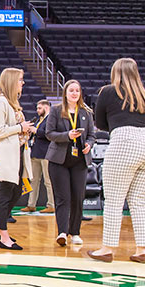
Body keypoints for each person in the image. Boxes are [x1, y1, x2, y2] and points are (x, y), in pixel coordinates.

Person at [88, 58, 145, 264]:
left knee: (114, 200)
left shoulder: (108, 91)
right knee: (138, 201)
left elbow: (99, 122)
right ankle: (141, 250)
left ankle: (107, 248)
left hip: (124, 141)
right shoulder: (144, 95)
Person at [0, 68, 34, 250]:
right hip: (6, 155)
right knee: (5, 193)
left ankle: (0, 230)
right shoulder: (0, 103)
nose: (22, 83)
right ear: (11, 82)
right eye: (20, 80)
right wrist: (20, 127)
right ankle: (3, 235)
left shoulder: (12, 103)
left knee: (15, 192)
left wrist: (26, 129)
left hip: (18, 152)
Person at [45, 79, 95, 246]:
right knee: (63, 198)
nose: (74, 93)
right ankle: (62, 232)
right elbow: (49, 134)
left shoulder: (86, 112)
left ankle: (75, 232)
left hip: (79, 161)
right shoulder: (56, 110)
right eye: (71, 90)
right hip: (59, 161)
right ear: (65, 93)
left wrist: (89, 144)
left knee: (78, 197)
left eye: (77, 91)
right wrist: (67, 135)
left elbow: (92, 135)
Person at [22, 99, 56, 214]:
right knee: (34, 180)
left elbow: (49, 135)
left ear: (46, 108)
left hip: (46, 153)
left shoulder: (51, 119)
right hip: (36, 153)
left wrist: (35, 130)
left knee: (48, 181)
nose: (37, 111)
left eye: (39, 108)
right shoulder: (39, 120)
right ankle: (31, 204)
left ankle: (51, 204)